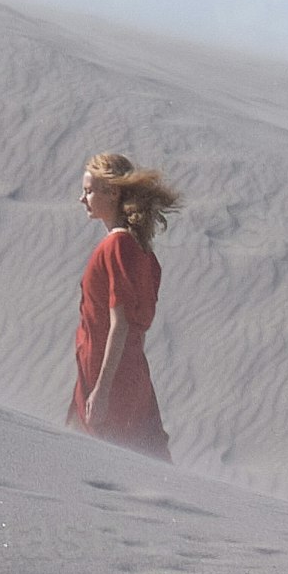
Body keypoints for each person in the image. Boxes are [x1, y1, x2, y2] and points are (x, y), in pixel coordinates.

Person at [67, 153, 175, 452]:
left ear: (112, 192)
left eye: (89, 191)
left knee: (99, 458)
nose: (82, 199)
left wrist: (102, 390)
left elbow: (121, 324)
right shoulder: (140, 249)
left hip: (108, 375)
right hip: (119, 371)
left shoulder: (119, 245)